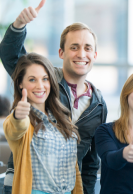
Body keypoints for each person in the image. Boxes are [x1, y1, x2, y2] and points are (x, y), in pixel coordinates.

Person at [0, 1, 107, 193]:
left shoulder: (98, 104)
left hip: (65, 187)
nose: (81, 54)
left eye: (87, 48)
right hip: (26, 183)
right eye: (74, 47)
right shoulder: (43, 83)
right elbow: (11, 56)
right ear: (61, 52)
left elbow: (91, 162)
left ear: (95, 54)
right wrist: (19, 26)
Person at [3, 52, 82, 193]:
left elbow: (73, 169)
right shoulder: (22, 118)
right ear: (20, 83)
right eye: (32, 80)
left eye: (45, 79)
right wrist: (18, 116)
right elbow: (14, 129)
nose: (40, 86)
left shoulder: (63, 118)